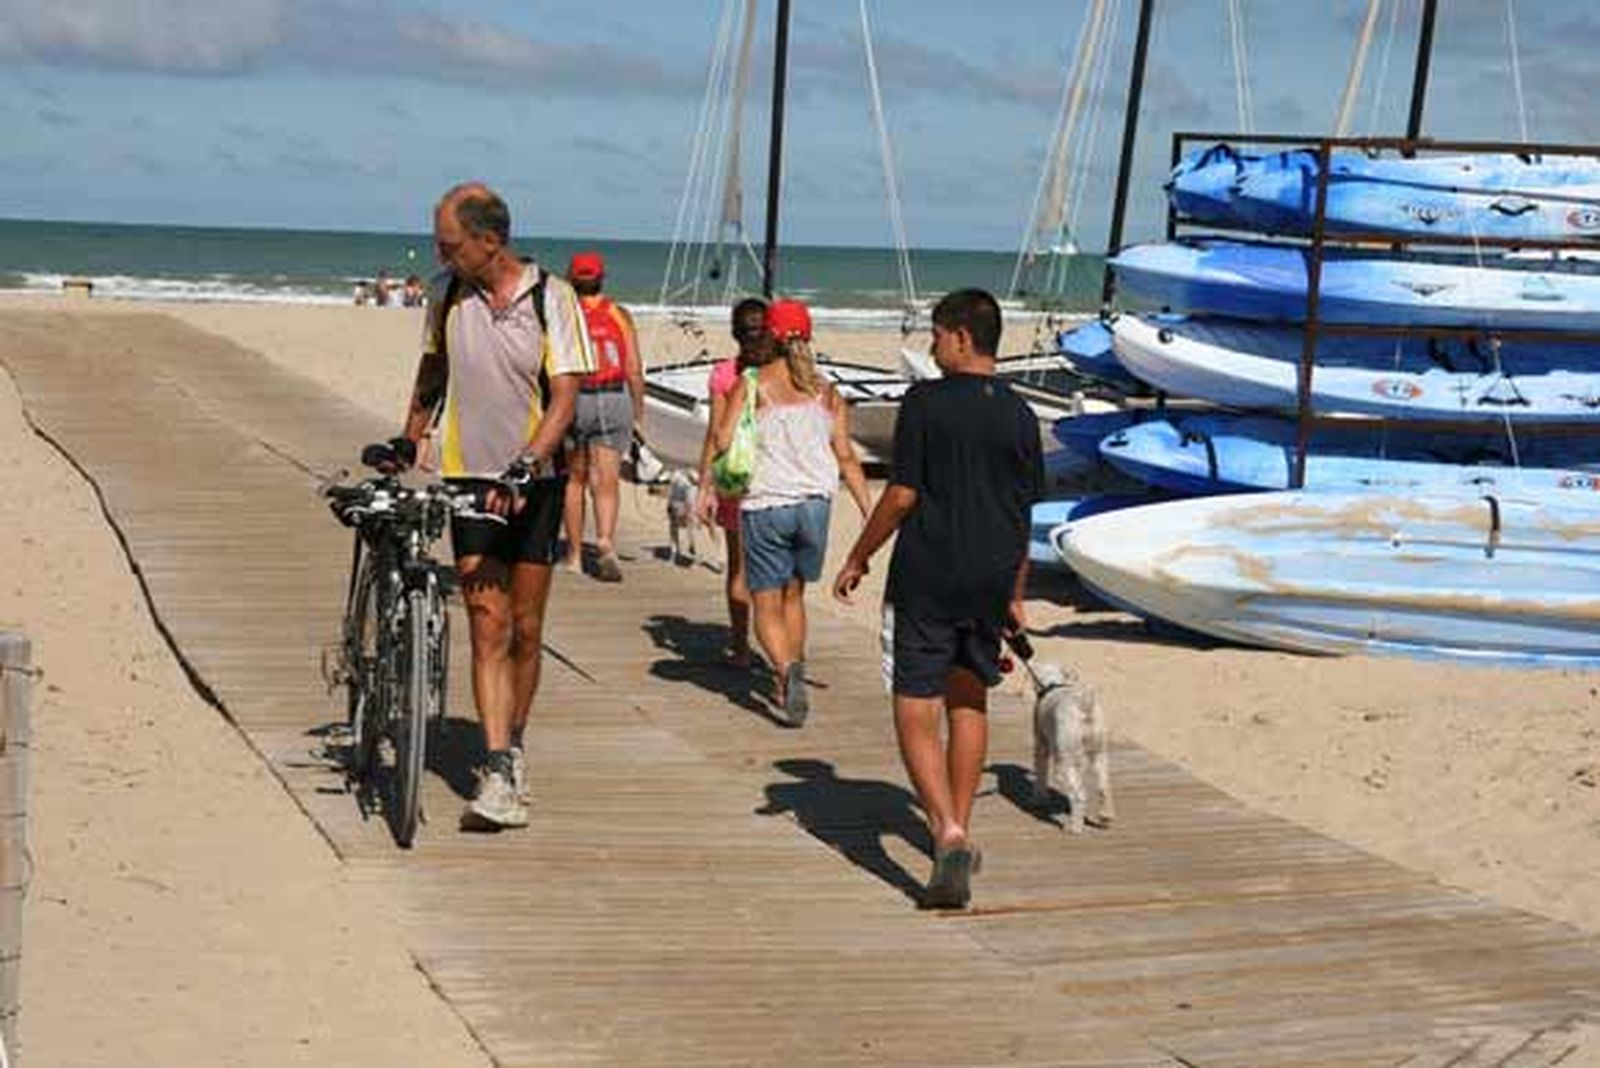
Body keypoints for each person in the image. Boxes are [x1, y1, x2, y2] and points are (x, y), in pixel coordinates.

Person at [380, 182, 594, 830]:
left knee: (526, 630)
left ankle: (515, 743)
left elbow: (566, 396)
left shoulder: (551, 298)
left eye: (449, 245)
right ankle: (496, 767)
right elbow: (433, 371)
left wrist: (528, 463)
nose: (439, 256)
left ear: (489, 241)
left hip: (537, 480)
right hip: (470, 477)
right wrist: (410, 435)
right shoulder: (448, 295)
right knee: (485, 620)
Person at [832, 288, 1044, 910]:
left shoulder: (925, 402)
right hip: (990, 575)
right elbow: (1021, 514)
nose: (931, 346)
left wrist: (858, 555)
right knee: (968, 697)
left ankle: (945, 828)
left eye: (936, 334)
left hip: (927, 572)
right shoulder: (1021, 415)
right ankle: (962, 830)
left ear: (959, 337)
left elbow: (901, 495)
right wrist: (1017, 593)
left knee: (915, 701)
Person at [714, 298, 871, 726]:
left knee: (764, 601)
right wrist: (866, 509)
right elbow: (846, 456)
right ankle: (793, 664)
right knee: (794, 595)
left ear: (770, 335)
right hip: (816, 507)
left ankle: (786, 671)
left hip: (767, 503)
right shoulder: (828, 391)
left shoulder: (752, 383)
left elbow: (724, 441)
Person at [560, 251, 645, 582]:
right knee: (607, 480)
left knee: (574, 479)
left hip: (575, 397)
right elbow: (634, 370)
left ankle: (575, 555)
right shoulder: (618, 313)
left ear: (571, 278)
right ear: (601, 277)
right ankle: (606, 542)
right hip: (613, 397)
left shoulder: (564, 314)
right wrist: (638, 412)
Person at [694, 298, 768, 666]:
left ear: (736, 333)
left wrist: (704, 484)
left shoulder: (724, 374)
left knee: (738, 566)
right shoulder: (780, 372)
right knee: (776, 571)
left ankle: (740, 647)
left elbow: (715, 435)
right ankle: (783, 649)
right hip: (775, 478)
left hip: (736, 478)